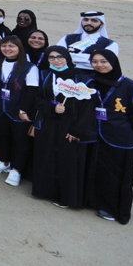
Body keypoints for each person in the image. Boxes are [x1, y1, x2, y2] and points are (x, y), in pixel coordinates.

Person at [88, 50, 133, 224]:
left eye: (103, 61)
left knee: (117, 176)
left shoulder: (132, 88)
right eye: (94, 61)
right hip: (95, 135)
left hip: (120, 139)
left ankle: (114, 209)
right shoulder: (90, 83)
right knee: (96, 170)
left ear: (113, 62)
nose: (99, 65)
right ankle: (94, 202)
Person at [31, 47, 96, 209]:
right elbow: (37, 99)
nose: (56, 60)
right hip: (48, 123)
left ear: (67, 58)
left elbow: (88, 109)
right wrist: (52, 107)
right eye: (52, 57)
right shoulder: (44, 75)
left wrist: (77, 130)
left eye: (60, 57)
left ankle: (66, 197)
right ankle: (45, 191)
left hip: (70, 125)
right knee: (47, 156)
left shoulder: (82, 79)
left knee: (67, 160)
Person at [0, 36, 38, 187]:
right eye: (4, 46)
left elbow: (32, 91)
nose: (7, 49)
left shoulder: (29, 67)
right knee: (0, 135)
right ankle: (3, 161)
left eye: (12, 46)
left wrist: (24, 109)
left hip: (18, 110)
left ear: (20, 48)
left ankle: (16, 170)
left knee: (20, 140)